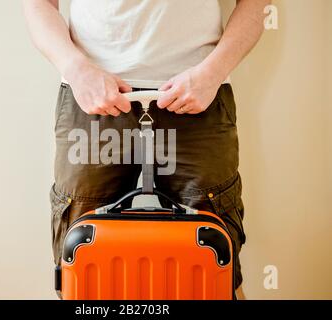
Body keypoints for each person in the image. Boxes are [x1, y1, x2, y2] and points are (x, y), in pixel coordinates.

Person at [23, 0, 270, 300]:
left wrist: (212, 72)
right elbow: (38, 5)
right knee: (82, 269)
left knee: (216, 271)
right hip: (91, 99)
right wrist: (76, 69)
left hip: (198, 95)